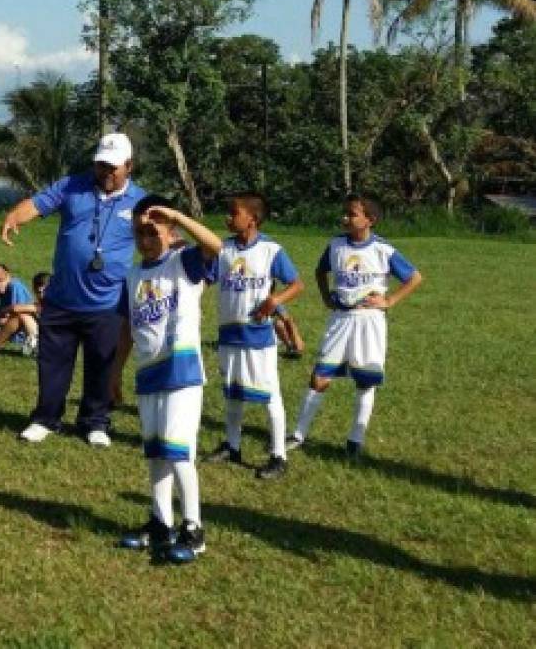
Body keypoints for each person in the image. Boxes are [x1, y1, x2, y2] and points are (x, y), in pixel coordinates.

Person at [0, 132, 145, 447]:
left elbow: (161, 235)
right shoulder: (71, 186)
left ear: (129, 166)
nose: (105, 173)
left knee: (101, 366)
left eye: (113, 168)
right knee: (52, 364)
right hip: (63, 297)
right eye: (101, 166)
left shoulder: (140, 202)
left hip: (107, 303)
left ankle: (95, 422)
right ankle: (45, 418)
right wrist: (15, 217)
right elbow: (37, 204)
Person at [114, 196, 221, 563]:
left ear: (169, 231)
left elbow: (215, 246)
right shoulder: (132, 276)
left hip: (182, 372)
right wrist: (115, 372)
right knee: (156, 453)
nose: (145, 240)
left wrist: (176, 216)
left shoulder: (183, 263)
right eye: (139, 233)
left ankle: (193, 529)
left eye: (152, 231)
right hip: (148, 374)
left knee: (178, 452)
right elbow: (127, 328)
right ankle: (160, 523)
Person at [288, 195, 423, 458]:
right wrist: (327, 297)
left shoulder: (383, 250)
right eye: (345, 213)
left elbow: (415, 277)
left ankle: (354, 440)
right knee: (320, 376)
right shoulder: (336, 245)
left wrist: (389, 300)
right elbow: (320, 270)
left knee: (365, 380)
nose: (345, 218)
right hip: (340, 319)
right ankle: (298, 434)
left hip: (369, 322)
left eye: (352, 214)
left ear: (370, 220)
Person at [204, 192, 302, 479]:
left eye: (234, 213)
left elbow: (297, 283)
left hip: (258, 336)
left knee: (270, 395)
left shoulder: (270, 250)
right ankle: (232, 445)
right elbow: (207, 280)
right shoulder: (223, 250)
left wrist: (276, 300)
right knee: (233, 393)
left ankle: (278, 456)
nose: (228, 217)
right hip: (228, 334)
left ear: (252, 219)